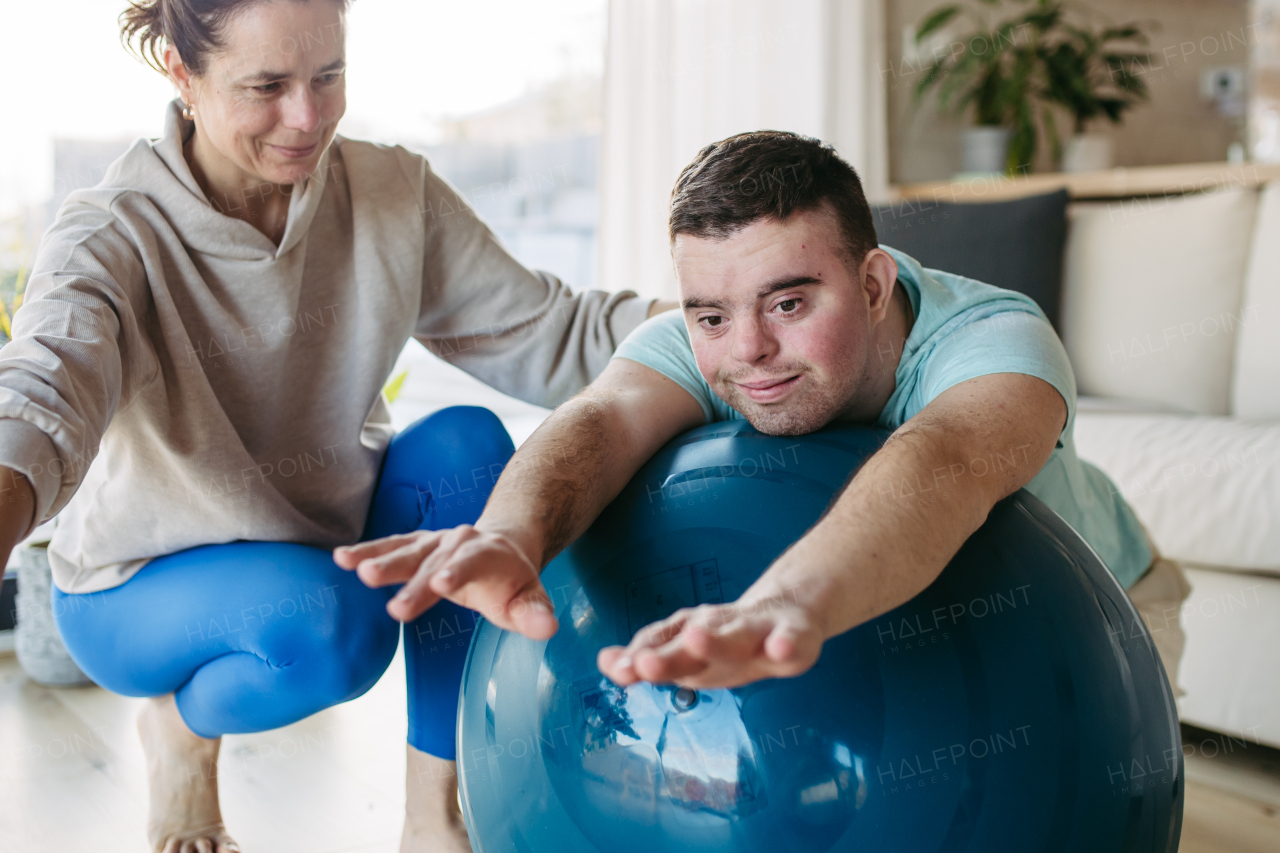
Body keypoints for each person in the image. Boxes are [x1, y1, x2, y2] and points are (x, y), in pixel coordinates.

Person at [0, 1, 669, 852]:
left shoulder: (390, 192)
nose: (307, 118)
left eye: (329, 75)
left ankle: (434, 815)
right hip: (144, 590)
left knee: (464, 445)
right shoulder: (111, 231)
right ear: (180, 70)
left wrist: (724, 321)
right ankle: (179, 727)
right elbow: (42, 390)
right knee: (333, 631)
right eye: (267, 86)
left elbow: (554, 331)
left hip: (326, 543)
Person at [338, 130, 1191, 699]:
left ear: (872, 283)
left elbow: (938, 463)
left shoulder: (997, 337)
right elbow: (601, 419)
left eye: (788, 304)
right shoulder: (704, 340)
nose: (746, 350)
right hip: (894, 622)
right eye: (712, 314)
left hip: (1104, 601)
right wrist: (512, 532)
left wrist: (783, 604)